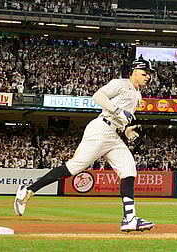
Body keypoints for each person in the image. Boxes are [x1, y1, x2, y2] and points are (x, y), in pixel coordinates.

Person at [13, 58, 156, 233]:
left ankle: (130, 218)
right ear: (134, 72)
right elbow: (98, 96)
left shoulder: (138, 95)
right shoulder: (121, 84)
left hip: (114, 135)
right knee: (73, 168)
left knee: (129, 170)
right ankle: (27, 190)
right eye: (144, 73)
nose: (147, 77)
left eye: (149, 75)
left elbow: (123, 121)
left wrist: (127, 131)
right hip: (101, 129)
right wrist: (117, 110)